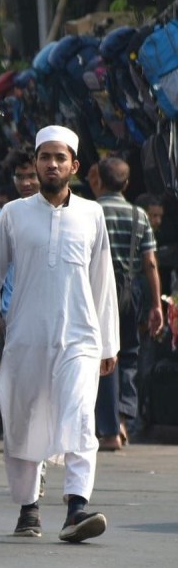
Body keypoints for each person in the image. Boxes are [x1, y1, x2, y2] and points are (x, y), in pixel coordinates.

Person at [0, 125, 119, 543]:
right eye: (46, 157)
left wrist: (108, 342)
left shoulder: (92, 214)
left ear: (74, 166)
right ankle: (29, 506)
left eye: (61, 158)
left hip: (80, 336)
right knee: (24, 420)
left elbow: (102, 280)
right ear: (37, 163)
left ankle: (76, 507)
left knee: (80, 416)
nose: (52, 164)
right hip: (25, 337)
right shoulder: (13, 215)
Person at [88, 157, 163, 449]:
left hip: (94, 292)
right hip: (130, 293)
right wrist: (156, 304)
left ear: (99, 180)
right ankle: (121, 419)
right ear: (127, 183)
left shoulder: (90, 211)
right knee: (128, 354)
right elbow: (150, 263)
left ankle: (105, 428)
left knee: (99, 354)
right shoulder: (138, 215)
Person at [0, 145, 42, 442]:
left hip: (46, 312)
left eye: (31, 176)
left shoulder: (62, 213)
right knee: (7, 375)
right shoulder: (3, 216)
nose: (26, 182)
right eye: (20, 176)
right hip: (9, 311)